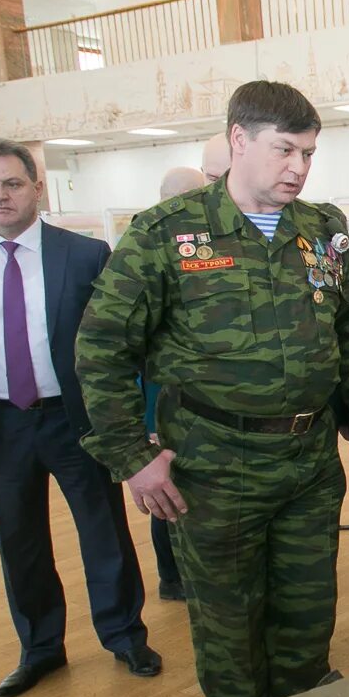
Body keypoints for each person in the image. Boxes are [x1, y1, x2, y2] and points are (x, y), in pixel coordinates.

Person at [76, 81, 349, 697]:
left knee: (308, 610)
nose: (299, 168)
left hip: (307, 462)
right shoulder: (167, 234)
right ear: (238, 140)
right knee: (229, 622)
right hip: (215, 464)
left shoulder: (324, 232)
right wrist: (133, 456)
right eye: (285, 151)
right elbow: (102, 349)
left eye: (308, 153)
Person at [0, 138, 159, 697]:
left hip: (73, 419)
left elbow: (110, 338)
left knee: (103, 532)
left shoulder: (83, 256)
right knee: (19, 541)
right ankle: (40, 649)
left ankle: (124, 635)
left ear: (36, 187)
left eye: (10, 183)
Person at [139, 165, 210, 602]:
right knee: (165, 489)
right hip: (161, 401)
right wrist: (146, 420)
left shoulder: (201, 249)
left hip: (199, 405)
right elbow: (131, 350)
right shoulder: (146, 252)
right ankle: (172, 576)